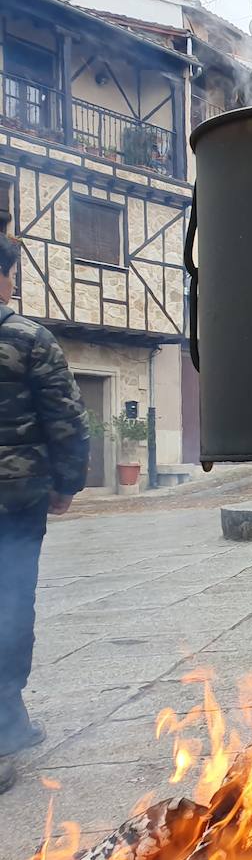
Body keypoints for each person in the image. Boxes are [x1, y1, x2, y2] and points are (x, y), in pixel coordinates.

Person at [0, 233, 89, 770]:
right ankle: (6, 726)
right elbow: (67, 419)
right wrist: (66, 483)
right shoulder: (29, 340)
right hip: (13, 501)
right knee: (8, 603)